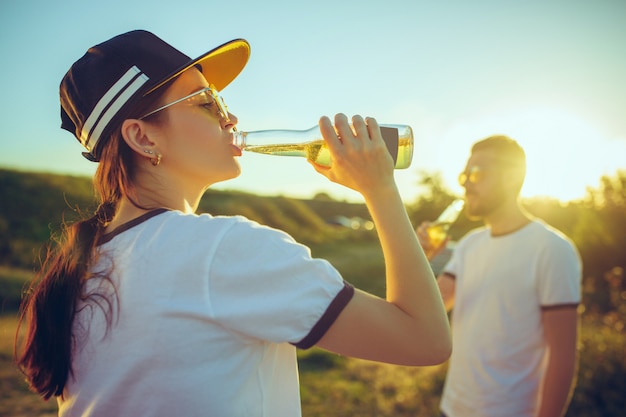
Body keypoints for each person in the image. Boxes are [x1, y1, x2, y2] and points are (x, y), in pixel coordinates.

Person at [15, 30, 451, 416]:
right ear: (143, 137)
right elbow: (425, 339)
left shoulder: (84, 266)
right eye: (206, 103)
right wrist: (380, 189)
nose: (231, 117)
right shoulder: (220, 249)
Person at [416, 135, 582, 417]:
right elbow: (429, 309)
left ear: (510, 178)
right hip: (453, 408)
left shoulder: (552, 249)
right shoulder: (470, 244)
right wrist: (419, 259)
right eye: (464, 174)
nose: (465, 183)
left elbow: (563, 356)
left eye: (476, 173)